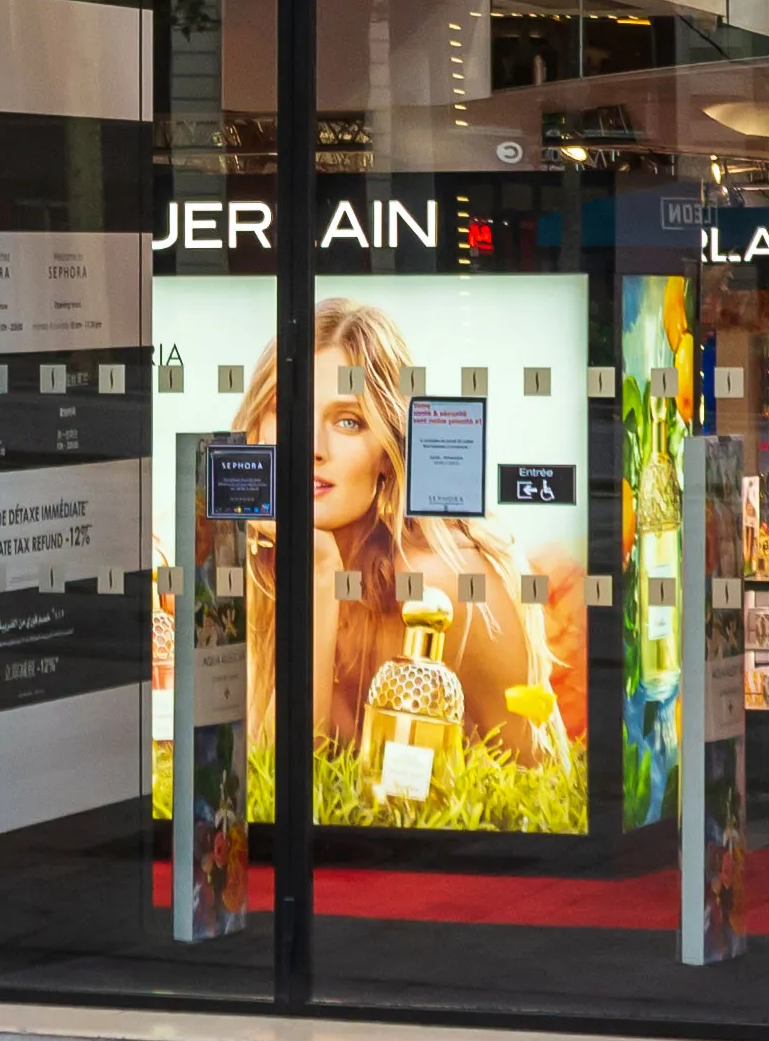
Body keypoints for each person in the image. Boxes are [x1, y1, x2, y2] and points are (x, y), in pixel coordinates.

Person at [232, 298, 581, 782]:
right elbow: (273, 785)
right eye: (288, 412)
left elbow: (546, 792)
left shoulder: (448, 585)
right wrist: (317, 572)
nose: (311, 447)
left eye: (348, 421)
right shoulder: (270, 570)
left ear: (388, 451)